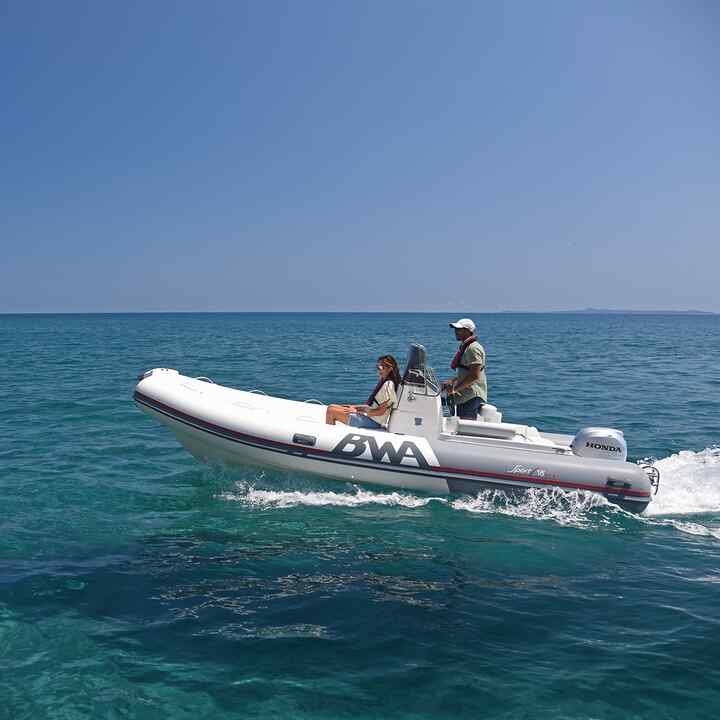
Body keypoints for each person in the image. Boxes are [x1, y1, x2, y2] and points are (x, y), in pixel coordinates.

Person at [325, 355, 400, 429]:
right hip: (370, 418)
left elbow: (381, 411)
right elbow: (373, 406)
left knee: (331, 411)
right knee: (332, 406)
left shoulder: (388, 385)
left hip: (373, 422)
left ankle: (328, 438)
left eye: (380, 368)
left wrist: (358, 412)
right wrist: (354, 407)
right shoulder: (385, 382)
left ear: (389, 369)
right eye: (377, 367)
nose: (378, 370)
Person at [443, 318, 487, 419]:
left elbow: (474, 375)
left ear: (467, 331)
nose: (455, 332)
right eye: (455, 329)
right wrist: (454, 380)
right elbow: (467, 371)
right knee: (462, 425)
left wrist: (454, 389)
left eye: (459, 329)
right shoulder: (467, 347)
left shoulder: (473, 348)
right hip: (465, 395)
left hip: (471, 395)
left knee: (466, 427)